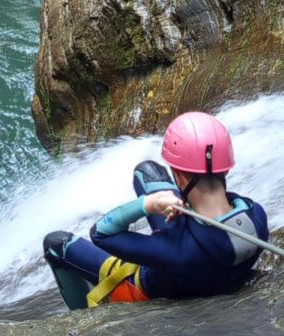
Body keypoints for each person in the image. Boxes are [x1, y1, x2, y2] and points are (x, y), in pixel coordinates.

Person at [42, 111, 268, 310]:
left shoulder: (176, 249)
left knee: (55, 243)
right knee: (147, 172)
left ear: (178, 177)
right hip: (198, 260)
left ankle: (81, 317)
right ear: (225, 169)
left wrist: (148, 205)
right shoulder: (256, 217)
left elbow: (101, 233)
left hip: (145, 284)